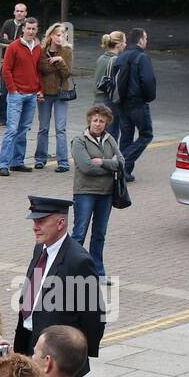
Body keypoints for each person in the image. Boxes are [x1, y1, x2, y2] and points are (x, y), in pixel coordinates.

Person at [13, 195, 104, 376]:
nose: (34, 227)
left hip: (57, 357)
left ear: (60, 223)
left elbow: (93, 316)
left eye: (41, 221)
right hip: (30, 343)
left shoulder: (79, 261)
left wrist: (76, 359)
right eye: (34, 221)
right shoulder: (40, 248)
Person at [70, 105, 124, 278]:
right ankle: (71, 270)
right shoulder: (79, 140)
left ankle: (98, 271)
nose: (98, 124)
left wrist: (102, 162)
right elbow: (86, 167)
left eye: (101, 121)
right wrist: (110, 165)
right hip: (85, 191)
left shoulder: (110, 140)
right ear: (89, 121)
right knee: (79, 233)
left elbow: (122, 163)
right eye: (95, 120)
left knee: (99, 234)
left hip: (106, 193)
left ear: (106, 123)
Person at [0, 16, 42, 177]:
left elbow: (39, 69)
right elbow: (6, 69)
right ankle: (3, 164)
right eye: (28, 28)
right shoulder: (14, 47)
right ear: (23, 29)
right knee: (12, 129)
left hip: (31, 94)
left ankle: (17, 162)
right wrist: (13, 90)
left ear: (37, 30)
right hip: (16, 94)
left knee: (23, 130)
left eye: (33, 29)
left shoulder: (38, 48)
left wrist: (39, 88)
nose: (30, 31)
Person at [114, 28, 157, 183]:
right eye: (145, 38)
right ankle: (121, 163)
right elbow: (148, 81)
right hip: (138, 102)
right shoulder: (142, 57)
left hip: (122, 102)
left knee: (126, 136)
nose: (146, 41)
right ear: (140, 40)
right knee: (146, 135)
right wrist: (148, 97)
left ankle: (124, 172)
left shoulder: (121, 56)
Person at [34, 23, 73, 173]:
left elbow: (67, 73)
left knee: (60, 128)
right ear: (51, 35)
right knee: (43, 128)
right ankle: (40, 159)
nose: (60, 37)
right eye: (57, 34)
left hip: (61, 93)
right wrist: (54, 63)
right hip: (45, 92)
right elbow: (42, 68)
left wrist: (60, 61)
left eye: (63, 35)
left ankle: (63, 161)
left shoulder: (67, 51)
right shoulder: (42, 50)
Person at [0, 2, 28, 125]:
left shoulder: (27, 26)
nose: (19, 13)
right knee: (4, 91)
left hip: (20, 65)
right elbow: (0, 40)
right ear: (14, 12)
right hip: (6, 62)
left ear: (25, 13)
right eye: (17, 11)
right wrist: (16, 43)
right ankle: (1, 117)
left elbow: (26, 43)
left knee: (18, 92)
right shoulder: (8, 23)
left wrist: (10, 42)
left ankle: (16, 118)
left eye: (22, 11)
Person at [93, 31, 127, 139]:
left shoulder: (101, 58)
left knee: (98, 134)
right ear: (118, 45)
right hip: (109, 102)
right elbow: (118, 85)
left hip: (97, 100)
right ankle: (108, 156)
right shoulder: (116, 60)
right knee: (111, 135)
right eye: (124, 42)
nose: (125, 45)